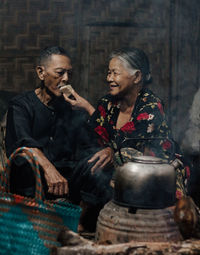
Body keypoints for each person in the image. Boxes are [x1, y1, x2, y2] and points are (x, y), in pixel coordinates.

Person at [64, 47, 189, 211]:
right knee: (92, 158)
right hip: (122, 171)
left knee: (123, 155)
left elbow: (129, 142)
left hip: (158, 170)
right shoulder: (108, 103)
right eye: (108, 73)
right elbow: (99, 134)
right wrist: (86, 107)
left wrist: (111, 151)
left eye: (115, 73)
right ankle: (78, 211)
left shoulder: (151, 105)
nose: (109, 78)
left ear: (136, 76)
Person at [5, 46, 89, 199]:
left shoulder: (72, 107)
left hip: (65, 182)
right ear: (41, 73)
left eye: (69, 73)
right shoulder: (21, 105)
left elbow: (87, 144)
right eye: (60, 73)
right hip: (30, 182)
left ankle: (80, 220)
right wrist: (49, 170)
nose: (66, 79)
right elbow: (24, 143)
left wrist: (86, 108)